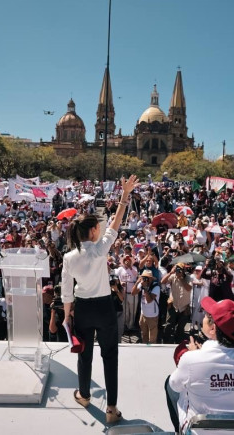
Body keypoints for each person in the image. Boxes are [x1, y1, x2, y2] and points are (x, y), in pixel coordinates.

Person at [60, 175, 138, 424]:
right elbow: (116, 224)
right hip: (104, 308)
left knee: (84, 355)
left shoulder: (69, 257)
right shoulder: (101, 248)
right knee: (110, 356)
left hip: (82, 308)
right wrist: (124, 196)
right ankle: (112, 408)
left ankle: (84, 396)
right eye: (98, 228)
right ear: (93, 230)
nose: (101, 230)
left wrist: (67, 315)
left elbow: (66, 291)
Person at [165, 297, 234, 434]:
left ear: (213, 329)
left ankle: (178, 430)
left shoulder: (191, 359)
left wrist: (193, 357)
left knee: (171, 383)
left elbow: (174, 385)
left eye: (206, 315)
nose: (203, 317)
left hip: (199, 431)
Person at [162, 263, 192, 344]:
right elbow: (162, 281)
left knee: (181, 327)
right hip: (173, 305)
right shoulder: (173, 276)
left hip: (184, 307)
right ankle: (166, 342)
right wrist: (170, 273)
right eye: (177, 269)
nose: (178, 271)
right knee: (168, 325)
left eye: (180, 269)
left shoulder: (188, 278)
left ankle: (179, 343)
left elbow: (189, 288)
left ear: (184, 271)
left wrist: (181, 278)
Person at [134, 270, 161, 344]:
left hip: (152, 315)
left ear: (151, 279)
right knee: (144, 334)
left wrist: (145, 288)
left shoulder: (156, 287)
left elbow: (149, 300)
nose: (145, 280)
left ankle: (151, 351)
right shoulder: (142, 284)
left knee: (152, 338)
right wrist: (137, 282)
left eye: (147, 278)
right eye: (143, 278)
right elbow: (133, 293)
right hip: (143, 314)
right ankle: (145, 348)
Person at [115, 255, 139, 333]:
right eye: (125, 260)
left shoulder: (134, 268)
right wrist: (120, 282)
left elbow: (135, 275)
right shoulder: (120, 269)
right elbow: (115, 276)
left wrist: (130, 267)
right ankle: (125, 325)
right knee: (125, 311)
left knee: (133, 311)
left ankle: (130, 326)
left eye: (129, 260)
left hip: (132, 294)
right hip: (123, 293)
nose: (127, 261)